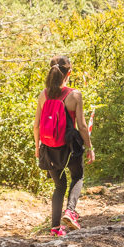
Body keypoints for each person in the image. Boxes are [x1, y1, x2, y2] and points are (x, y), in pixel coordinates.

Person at [34, 56, 95, 237]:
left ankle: (55, 228)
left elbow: (36, 125)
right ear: (69, 73)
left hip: (48, 147)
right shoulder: (74, 95)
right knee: (78, 176)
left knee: (59, 186)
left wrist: (37, 148)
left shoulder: (43, 95)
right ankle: (70, 212)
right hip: (70, 147)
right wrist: (89, 147)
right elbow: (82, 126)